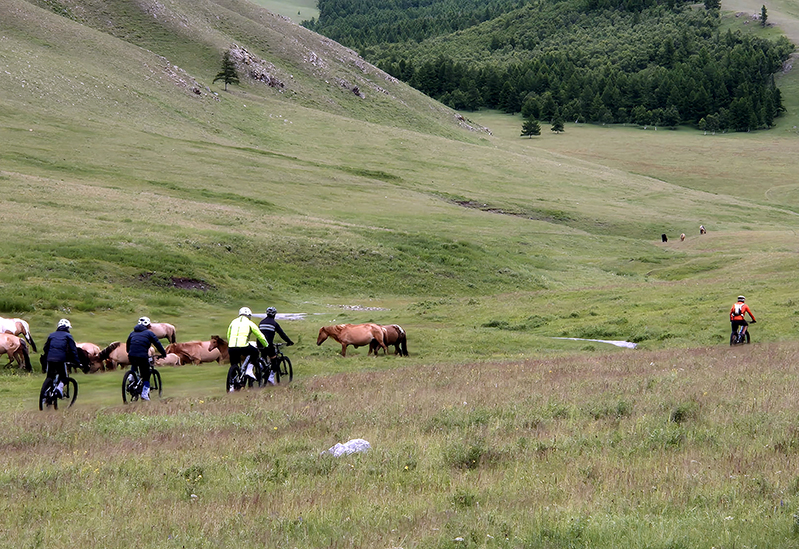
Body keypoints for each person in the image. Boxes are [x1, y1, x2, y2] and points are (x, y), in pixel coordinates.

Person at [126, 316, 167, 401]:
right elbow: (157, 344)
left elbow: (128, 346)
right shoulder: (149, 333)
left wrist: (130, 352)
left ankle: (131, 376)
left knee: (134, 363)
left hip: (131, 355)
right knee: (146, 375)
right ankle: (144, 394)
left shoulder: (132, 333)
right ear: (148, 326)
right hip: (142, 356)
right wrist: (163, 353)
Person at [227, 307, 268, 386]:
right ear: (249, 315)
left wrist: (231, 343)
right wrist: (266, 345)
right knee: (255, 352)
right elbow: (260, 335)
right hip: (243, 346)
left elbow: (228, 334)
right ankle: (249, 370)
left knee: (234, 364)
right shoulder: (249, 323)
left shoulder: (233, 322)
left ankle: (232, 383)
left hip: (231, 346)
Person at [42, 319, 81, 398]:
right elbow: (73, 350)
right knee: (64, 377)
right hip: (61, 359)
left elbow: (45, 348)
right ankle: (59, 389)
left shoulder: (51, 335)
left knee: (49, 376)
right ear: (67, 328)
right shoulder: (68, 336)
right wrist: (77, 362)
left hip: (50, 359)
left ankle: (45, 394)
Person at [258, 307, 294, 384]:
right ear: (274, 314)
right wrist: (289, 341)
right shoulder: (274, 323)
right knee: (275, 360)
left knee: (264, 356)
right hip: (268, 344)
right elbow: (282, 334)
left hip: (259, 344)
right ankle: (271, 377)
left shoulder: (261, 322)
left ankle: (261, 367)